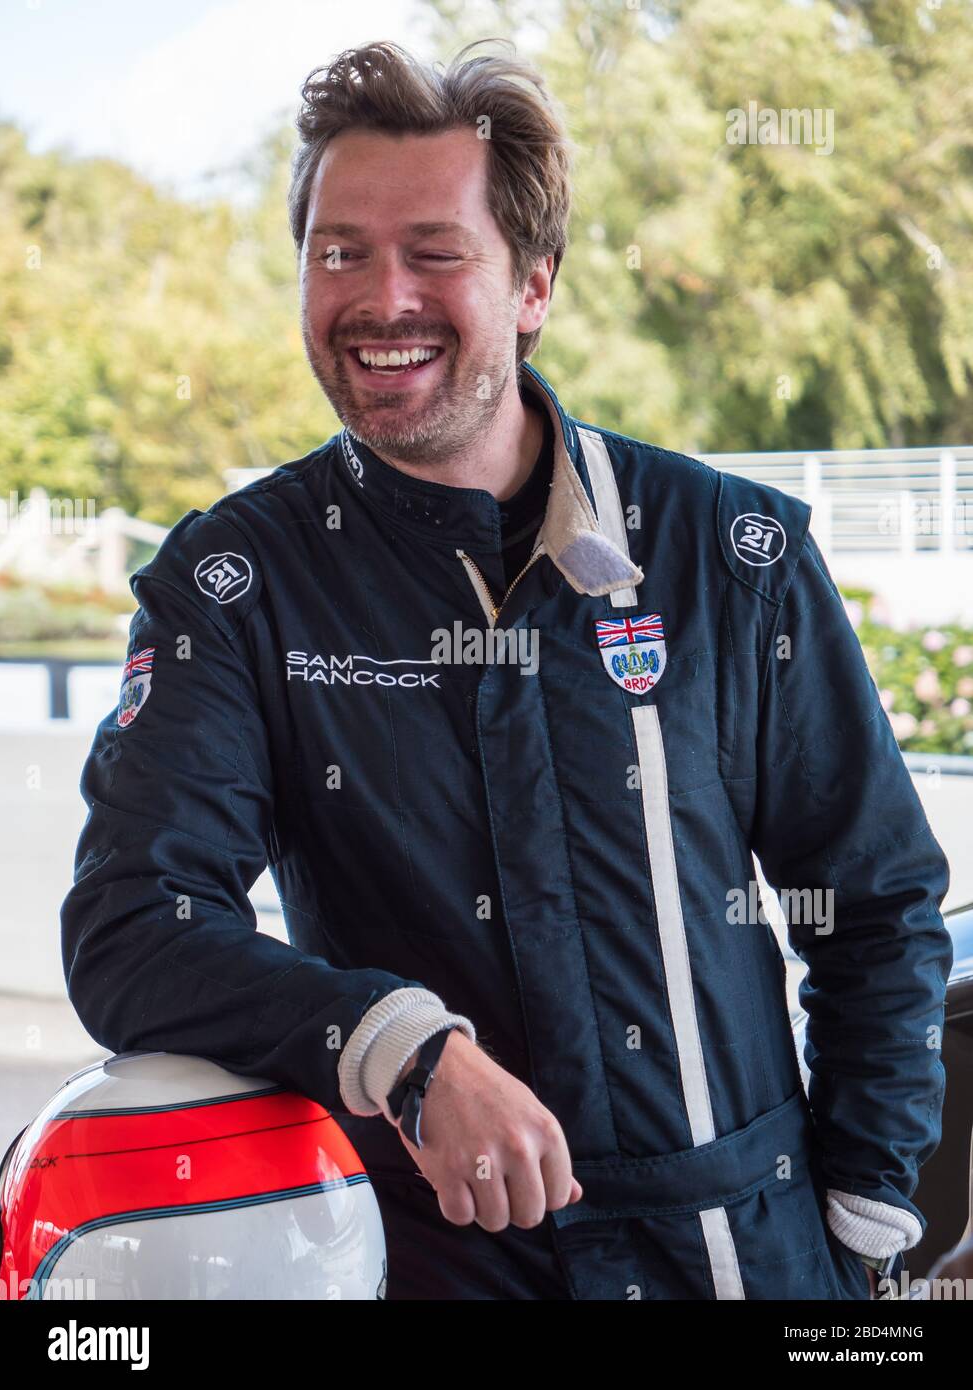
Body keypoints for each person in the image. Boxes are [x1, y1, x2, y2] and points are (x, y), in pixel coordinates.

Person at [61, 39, 953, 1301]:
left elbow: (876, 902)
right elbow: (132, 927)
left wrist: (864, 1219)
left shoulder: (728, 552)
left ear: (533, 285)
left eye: (434, 251)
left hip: (754, 1259)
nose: (381, 298)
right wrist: (398, 1044)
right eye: (337, 252)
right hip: (438, 1263)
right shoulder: (236, 582)